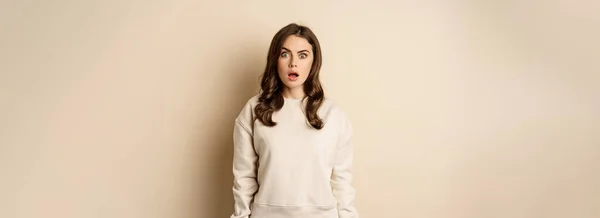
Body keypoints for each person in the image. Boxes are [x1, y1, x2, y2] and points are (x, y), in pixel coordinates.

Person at [230, 23, 359, 218]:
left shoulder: (334, 115)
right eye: (285, 54)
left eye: (302, 55)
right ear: (275, 60)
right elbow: (244, 178)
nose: (293, 63)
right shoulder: (254, 110)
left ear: (314, 62)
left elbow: (342, 182)